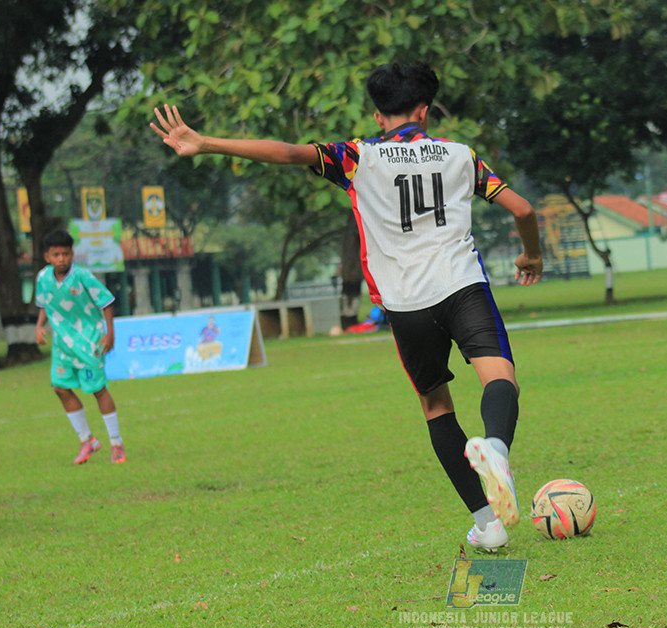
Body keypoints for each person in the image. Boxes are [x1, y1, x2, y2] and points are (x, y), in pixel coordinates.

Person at [150, 62, 543, 551]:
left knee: (436, 404)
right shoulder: (461, 156)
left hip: (404, 304)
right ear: (424, 110)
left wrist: (205, 142)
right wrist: (532, 253)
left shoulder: (358, 158)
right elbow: (524, 210)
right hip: (462, 285)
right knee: (499, 377)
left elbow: (289, 153)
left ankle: (487, 524)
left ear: (380, 117)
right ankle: (498, 451)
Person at [35, 229, 126, 464]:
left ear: (72, 254)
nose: (61, 259)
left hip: (88, 342)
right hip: (62, 345)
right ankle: (88, 440)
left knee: (98, 389)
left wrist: (109, 333)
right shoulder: (43, 278)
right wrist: (39, 326)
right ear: (47, 257)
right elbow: (45, 303)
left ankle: (116, 444)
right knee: (60, 388)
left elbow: (106, 302)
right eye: (56, 255)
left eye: (65, 254)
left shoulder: (83, 276)